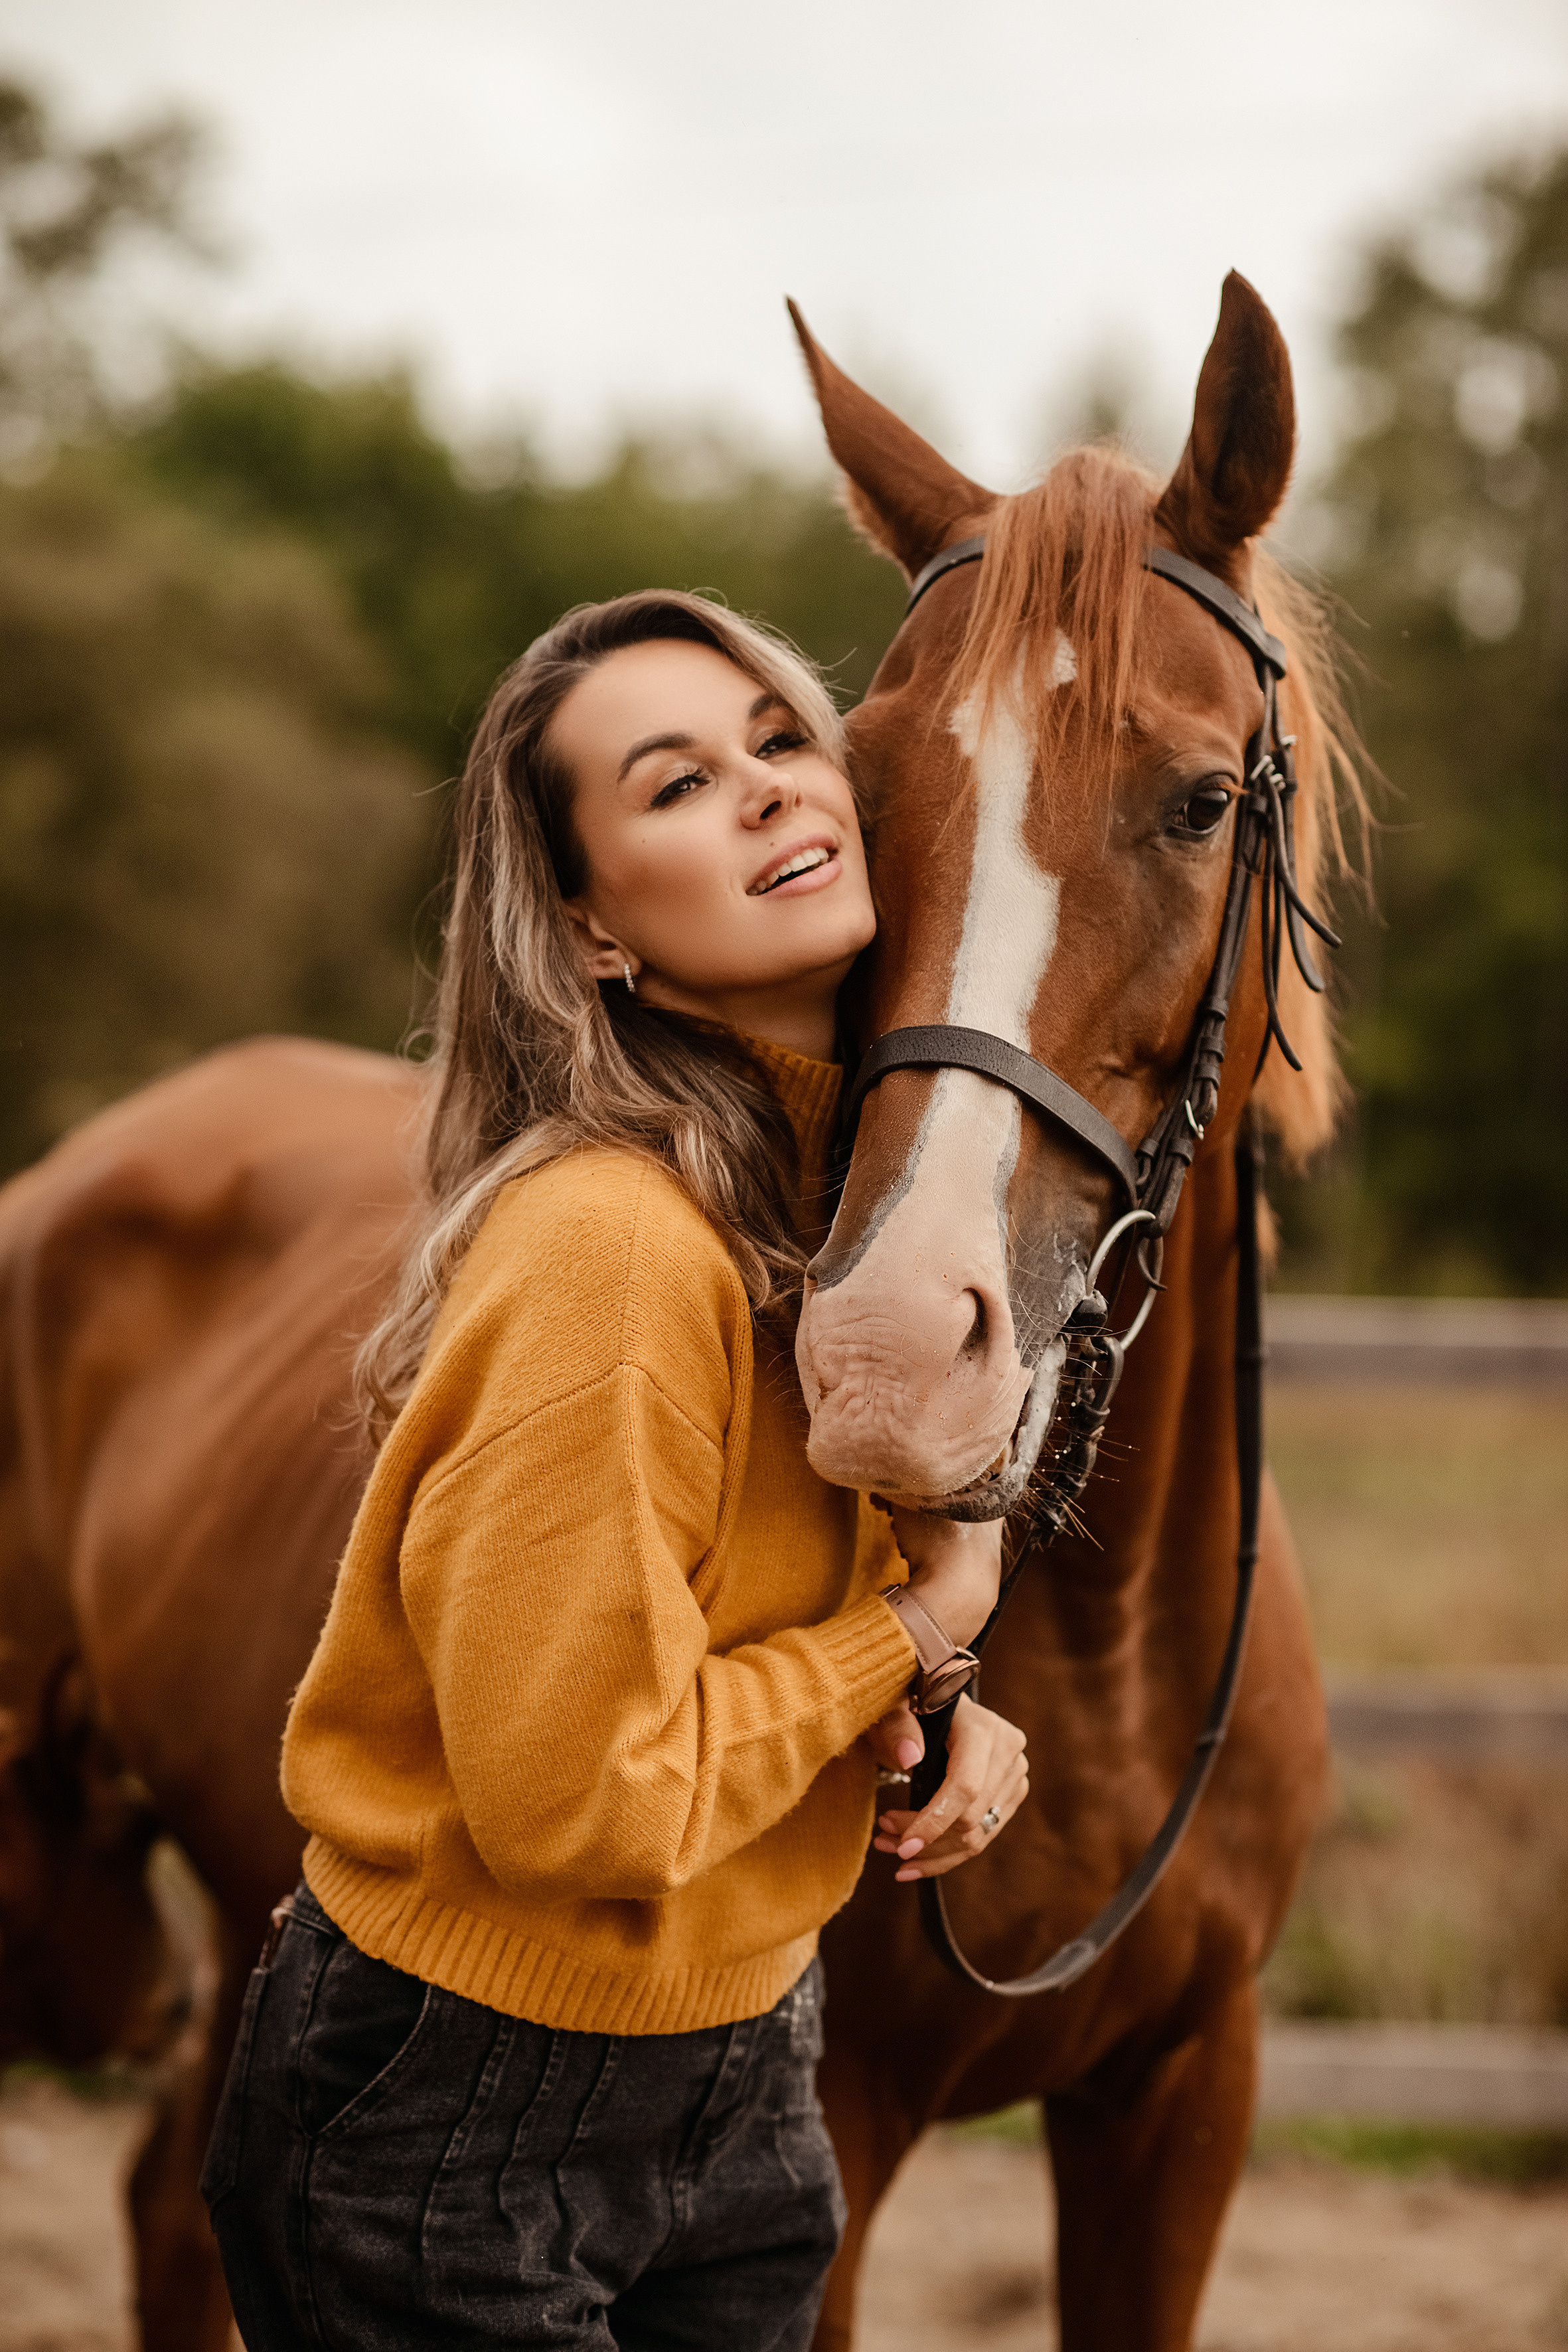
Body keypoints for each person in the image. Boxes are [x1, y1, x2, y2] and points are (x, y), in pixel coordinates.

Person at [201, 589, 1028, 2351]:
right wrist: (910, 1626)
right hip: (459, 2113)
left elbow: (748, 1616)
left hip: (743, 2061)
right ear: (586, 930)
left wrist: (928, 1690)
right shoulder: (614, 1252)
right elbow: (583, 1801)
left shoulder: (831, 1226)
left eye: (781, 740)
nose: (762, 791)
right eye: (674, 783)